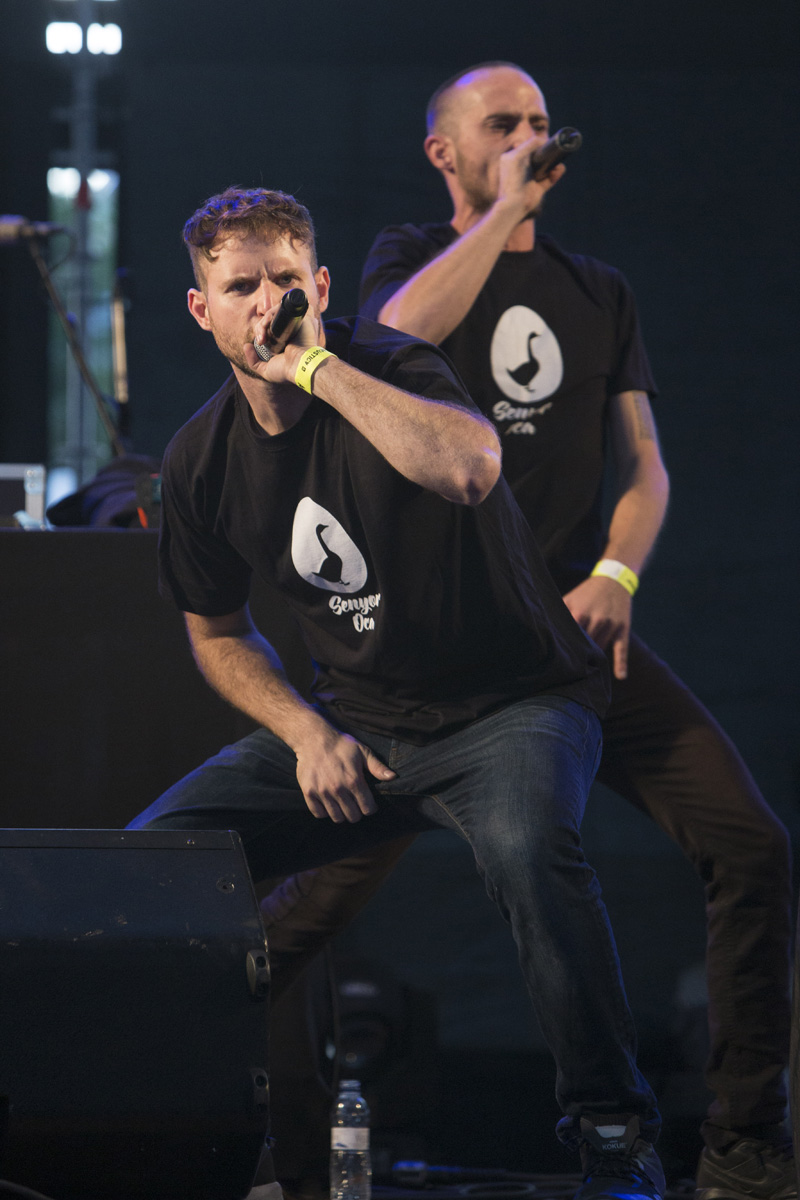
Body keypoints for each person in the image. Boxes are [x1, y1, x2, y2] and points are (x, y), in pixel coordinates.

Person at [128, 185, 666, 1200]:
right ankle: (171, 1134)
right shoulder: (202, 458)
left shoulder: (391, 365)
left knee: (528, 851)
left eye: (287, 280)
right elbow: (217, 634)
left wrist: (314, 367)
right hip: (361, 725)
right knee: (148, 866)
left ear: (322, 288)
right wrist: (303, 732)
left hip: (512, 705)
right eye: (240, 288)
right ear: (201, 309)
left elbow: (468, 468)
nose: (267, 304)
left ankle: (613, 1134)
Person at [353, 61, 793, 1200]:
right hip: (445, 663)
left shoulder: (598, 289)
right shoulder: (406, 259)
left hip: (577, 638)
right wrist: (500, 213)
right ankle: (278, 1132)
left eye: (540, 123)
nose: (530, 139)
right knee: (311, 890)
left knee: (748, 846)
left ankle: (744, 1146)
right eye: (501, 124)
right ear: (444, 153)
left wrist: (615, 573)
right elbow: (394, 336)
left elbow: (645, 468)